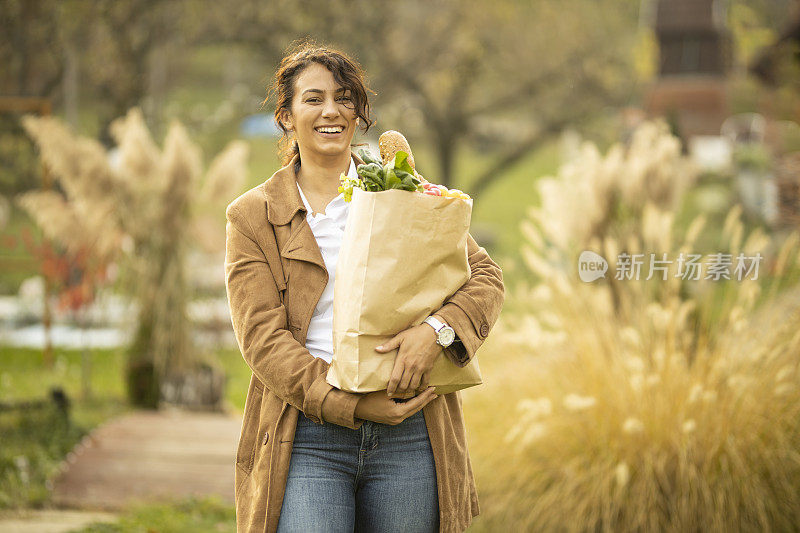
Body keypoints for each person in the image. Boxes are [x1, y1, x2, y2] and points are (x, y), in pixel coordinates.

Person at [224, 41, 505, 533]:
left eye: (344, 97)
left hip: (412, 430)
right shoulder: (253, 217)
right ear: (286, 117)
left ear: (359, 113)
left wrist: (435, 332)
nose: (331, 110)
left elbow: (484, 278)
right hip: (307, 435)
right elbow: (262, 342)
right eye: (313, 99)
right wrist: (350, 404)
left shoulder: (405, 191)